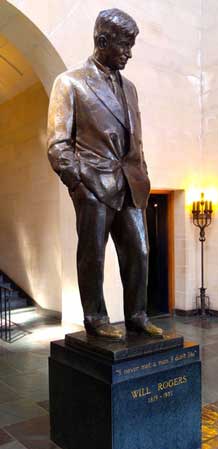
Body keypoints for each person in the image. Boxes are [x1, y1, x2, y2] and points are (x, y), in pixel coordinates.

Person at [47, 8, 163, 340]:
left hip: (130, 184)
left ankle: (137, 315)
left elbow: (134, 139)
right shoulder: (69, 82)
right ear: (102, 41)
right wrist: (79, 183)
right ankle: (95, 317)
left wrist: (142, 171)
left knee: (139, 251)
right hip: (93, 184)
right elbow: (57, 143)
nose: (129, 53)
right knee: (93, 254)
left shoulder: (130, 87)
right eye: (124, 45)